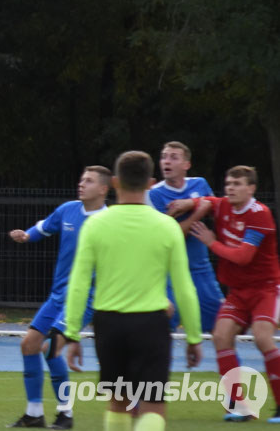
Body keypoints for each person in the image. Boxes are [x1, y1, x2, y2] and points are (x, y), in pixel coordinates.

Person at [65, 151, 202, 431]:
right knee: (152, 407)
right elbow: (183, 286)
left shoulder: (95, 225)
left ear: (114, 183)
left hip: (108, 323)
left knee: (119, 403)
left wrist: (71, 332)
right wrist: (194, 336)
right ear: (150, 183)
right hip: (151, 323)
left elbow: (79, 283)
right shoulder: (166, 226)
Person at [168, 165, 280, 423]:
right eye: (229, 183)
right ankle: (240, 407)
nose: (231, 188)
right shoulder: (223, 205)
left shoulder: (259, 214)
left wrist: (210, 242)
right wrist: (189, 202)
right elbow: (208, 200)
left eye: (238, 184)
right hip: (239, 291)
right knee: (220, 336)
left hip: (265, 288)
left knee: (263, 339)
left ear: (251, 188)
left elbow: (243, 257)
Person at [6, 166, 111, 430]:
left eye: (89, 181)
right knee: (29, 345)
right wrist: (26, 235)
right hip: (58, 296)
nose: (82, 184)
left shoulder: (111, 221)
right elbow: (43, 228)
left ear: (103, 189)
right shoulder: (68, 210)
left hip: (86, 298)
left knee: (50, 348)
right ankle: (34, 414)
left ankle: (65, 414)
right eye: (81, 179)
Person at [146, 141, 224, 332]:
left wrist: (191, 204)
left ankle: (227, 362)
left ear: (186, 165)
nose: (167, 161)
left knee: (222, 323)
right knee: (165, 323)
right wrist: (198, 213)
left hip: (200, 268)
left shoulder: (200, 184)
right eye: (164, 157)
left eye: (173, 157)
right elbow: (171, 235)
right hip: (168, 271)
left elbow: (218, 209)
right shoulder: (154, 194)